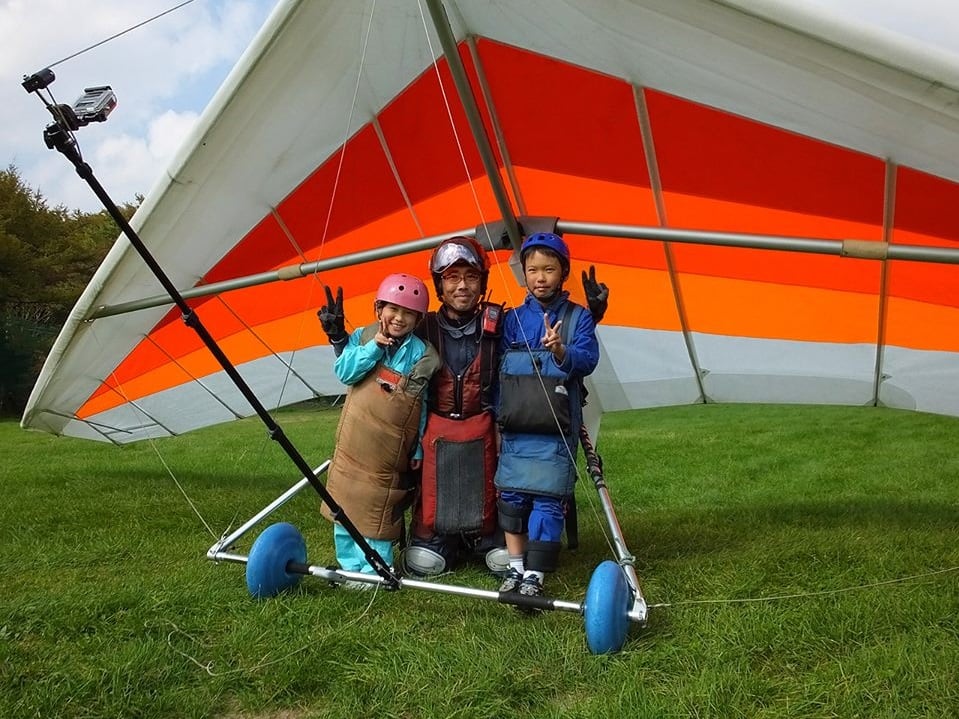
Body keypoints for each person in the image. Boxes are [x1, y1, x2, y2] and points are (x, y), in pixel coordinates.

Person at [317, 234, 609, 578]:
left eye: (470, 277)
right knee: (425, 560)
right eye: (452, 278)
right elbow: (375, 368)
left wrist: (588, 318)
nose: (462, 286)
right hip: (437, 435)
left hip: (485, 430)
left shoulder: (500, 322)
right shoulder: (419, 326)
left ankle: (488, 538)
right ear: (440, 285)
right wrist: (339, 340)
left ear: (482, 282)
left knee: (498, 541)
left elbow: (542, 340)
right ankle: (439, 538)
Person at [494, 232, 599, 602]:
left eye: (549, 269)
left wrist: (560, 350)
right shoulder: (512, 320)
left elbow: (588, 359)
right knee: (512, 498)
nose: (540, 277)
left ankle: (535, 574)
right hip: (516, 428)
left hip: (555, 431)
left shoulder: (577, 318)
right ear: (523, 273)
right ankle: (516, 567)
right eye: (533, 269)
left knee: (548, 500)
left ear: (563, 272)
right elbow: (498, 371)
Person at [320, 273, 440, 583]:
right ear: (379, 309)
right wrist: (374, 346)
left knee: (380, 503)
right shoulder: (363, 336)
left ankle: (377, 568)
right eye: (393, 310)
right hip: (354, 442)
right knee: (346, 500)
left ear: (418, 319)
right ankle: (350, 567)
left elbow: (420, 407)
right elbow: (345, 372)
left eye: (408, 313)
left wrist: (417, 448)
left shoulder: (424, 356)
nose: (399, 318)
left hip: (388, 449)